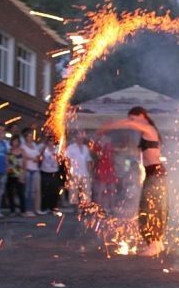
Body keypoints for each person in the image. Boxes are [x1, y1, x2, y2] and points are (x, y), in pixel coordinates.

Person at [98, 106, 167, 257]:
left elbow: (129, 125)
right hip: (153, 173)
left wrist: (110, 126)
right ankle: (157, 243)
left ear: (142, 116)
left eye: (133, 118)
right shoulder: (146, 132)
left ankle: (154, 244)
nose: (130, 122)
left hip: (155, 173)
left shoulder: (149, 128)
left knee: (149, 209)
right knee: (152, 208)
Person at [91, 133, 118, 213]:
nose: (104, 138)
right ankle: (100, 207)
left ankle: (112, 207)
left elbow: (113, 156)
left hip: (110, 169)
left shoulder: (110, 145)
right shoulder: (97, 145)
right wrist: (101, 147)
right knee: (101, 189)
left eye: (105, 137)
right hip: (102, 168)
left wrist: (115, 165)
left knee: (112, 189)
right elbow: (97, 156)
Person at [65, 133, 92, 206]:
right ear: (76, 139)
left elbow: (88, 160)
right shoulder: (71, 147)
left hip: (85, 173)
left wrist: (89, 170)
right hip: (74, 173)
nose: (80, 140)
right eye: (78, 138)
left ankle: (85, 207)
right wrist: (68, 171)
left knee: (86, 191)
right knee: (74, 191)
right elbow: (67, 160)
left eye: (81, 138)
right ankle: (75, 208)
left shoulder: (85, 148)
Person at [20, 128, 42, 217]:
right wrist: (32, 158)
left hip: (35, 169)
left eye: (31, 136)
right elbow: (24, 156)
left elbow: (37, 156)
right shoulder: (23, 146)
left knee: (36, 190)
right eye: (28, 136)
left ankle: (36, 209)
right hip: (27, 169)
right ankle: (28, 209)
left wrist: (35, 158)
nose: (30, 137)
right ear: (25, 137)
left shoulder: (34, 145)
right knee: (28, 190)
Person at [39, 136, 61, 214]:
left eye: (52, 141)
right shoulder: (44, 148)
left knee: (54, 190)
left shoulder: (57, 148)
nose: (50, 142)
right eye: (49, 141)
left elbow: (61, 158)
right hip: (45, 171)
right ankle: (44, 207)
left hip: (54, 172)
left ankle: (53, 207)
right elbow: (39, 156)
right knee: (45, 190)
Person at [5, 134, 26, 216]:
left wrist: (23, 174)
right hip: (10, 174)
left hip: (19, 174)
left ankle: (22, 210)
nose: (15, 143)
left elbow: (24, 163)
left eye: (17, 141)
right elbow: (6, 161)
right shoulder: (9, 151)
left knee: (20, 192)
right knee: (10, 192)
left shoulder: (22, 151)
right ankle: (12, 210)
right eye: (14, 141)